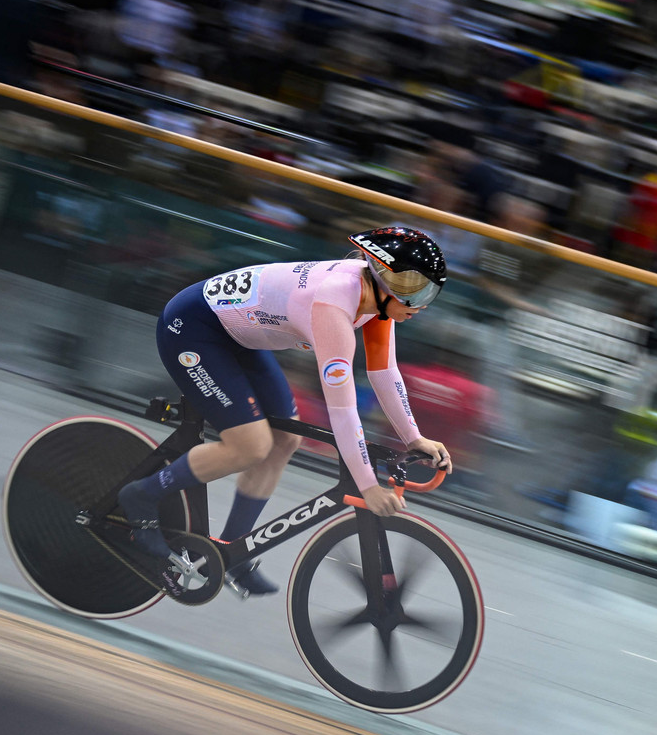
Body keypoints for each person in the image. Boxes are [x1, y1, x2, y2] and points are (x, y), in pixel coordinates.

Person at [118, 226, 453, 597]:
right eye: (413, 289)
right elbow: (342, 411)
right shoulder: (334, 304)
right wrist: (367, 486)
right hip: (193, 329)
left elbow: (384, 373)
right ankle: (142, 495)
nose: (420, 305)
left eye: (429, 292)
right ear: (383, 275)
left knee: (285, 440)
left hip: (237, 335)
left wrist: (414, 437)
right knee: (249, 446)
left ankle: (231, 550)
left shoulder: (376, 301)